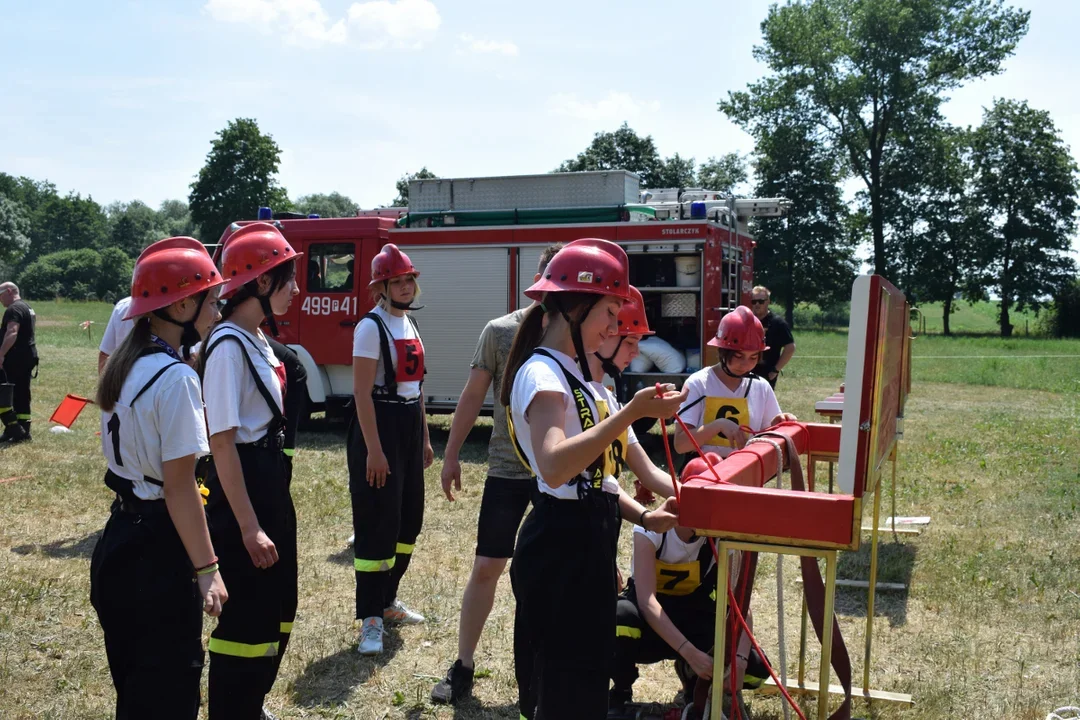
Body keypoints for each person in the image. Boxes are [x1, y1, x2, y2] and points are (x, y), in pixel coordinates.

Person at [504, 238, 686, 719]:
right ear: (576, 306)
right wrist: (630, 413)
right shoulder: (542, 374)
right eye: (610, 310)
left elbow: (599, 480)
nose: (614, 325)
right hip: (560, 547)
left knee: (585, 681)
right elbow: (555, 464)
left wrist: (649, 513)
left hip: (588, 541)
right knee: (562, 686)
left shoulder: (582, 379)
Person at [89, 237, 228, 719]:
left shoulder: (125, 366)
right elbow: (180, 486)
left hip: (119, 543)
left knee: (135, 691)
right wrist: (208, 569)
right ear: (182, 304)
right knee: (169, 693)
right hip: (158, 558)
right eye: (212, 300)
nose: (217, 309)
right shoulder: (176, 379)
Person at [431, 242, 564, 704]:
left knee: (567, 571)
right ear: (539, 278)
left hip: (559, 472)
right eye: (550, 273)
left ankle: (561, 671)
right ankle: (463, 666)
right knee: (488, 566)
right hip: (509, 469)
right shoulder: (501, 330)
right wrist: (450, 455)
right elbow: (471, 396)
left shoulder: (580, 336)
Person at [197, 222, 301, 719]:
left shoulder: (257, 339)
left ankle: (250, 703)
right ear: (261, 282)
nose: (296, 291)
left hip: (269, 484)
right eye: (288, 279)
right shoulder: (227, 347)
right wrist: (249, 527)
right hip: (244, 495)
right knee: (246, 621)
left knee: (280, 608)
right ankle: (232, 710)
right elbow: (222, 445)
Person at [349, 243, 433, 656]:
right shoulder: (370, 326)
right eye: (395, 281)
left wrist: (425, 438)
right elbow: (362, 393)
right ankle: (370, 620)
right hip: (378, 428)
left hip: (407, 428)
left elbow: (415, 389)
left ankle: (386, 598)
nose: (404, 287)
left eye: (408, 280)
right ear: (381, 286)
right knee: (377, 525)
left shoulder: (410, 325)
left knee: (409, 522)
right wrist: (374, 450)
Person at [590, 285, 682, 502]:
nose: (636, 352)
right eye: (630, 342)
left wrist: (704, 501)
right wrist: (633, 411)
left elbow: (648, 473)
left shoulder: (609, 400)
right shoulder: (569, 392)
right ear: (604, 334)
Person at [673, 305, 797, 458]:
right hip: (704, 470)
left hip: (746, 468)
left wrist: (777, 426)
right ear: (722, 351)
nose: (745, 365)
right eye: (738, 356)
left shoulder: (761, 387)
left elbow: (769, 443)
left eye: (753, 357)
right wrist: (718, 425)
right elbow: (680, 444)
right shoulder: (699, 383)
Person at [0, 282, 37, 443]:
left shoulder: (13, 309)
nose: (0, 300)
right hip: (27, 356)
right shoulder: (27, 308)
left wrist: (1, 354)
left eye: (0, 295)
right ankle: (22, 430)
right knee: (22, 393)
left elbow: (12, 332)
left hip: (14, 358)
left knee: (5, 394)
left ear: (9, 291)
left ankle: (14, 428)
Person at [750, 286, 796, 389]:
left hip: (766, 373)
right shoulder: (747, 321)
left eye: (761, 301)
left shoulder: (778, 323)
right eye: (754, 301)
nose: (757, 304)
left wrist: (776, 369)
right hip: (746, 371)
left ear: (768, 302)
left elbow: (790, 347)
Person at [99, 295, 135, 373]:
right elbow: (105, 354)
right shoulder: (122, 305)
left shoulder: (123, 305)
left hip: (123, 377)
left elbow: (105, 354)